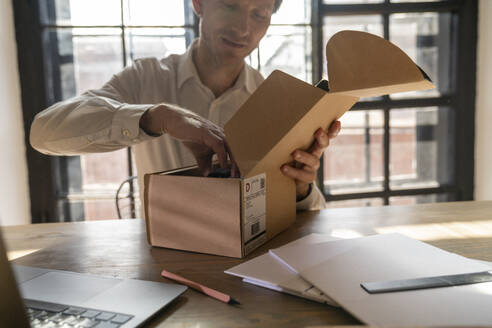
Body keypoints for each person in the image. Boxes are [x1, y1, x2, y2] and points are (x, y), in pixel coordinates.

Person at [30, 0, 341, 211]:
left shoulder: (275, 101)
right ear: (198, 3)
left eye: (260, 14)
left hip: (249, 272)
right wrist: (155, 117)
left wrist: (299, 190)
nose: (243, 29)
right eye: (230, 4)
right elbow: (43, 134)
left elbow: (314, 219)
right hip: (160, 267)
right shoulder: (145, 78)